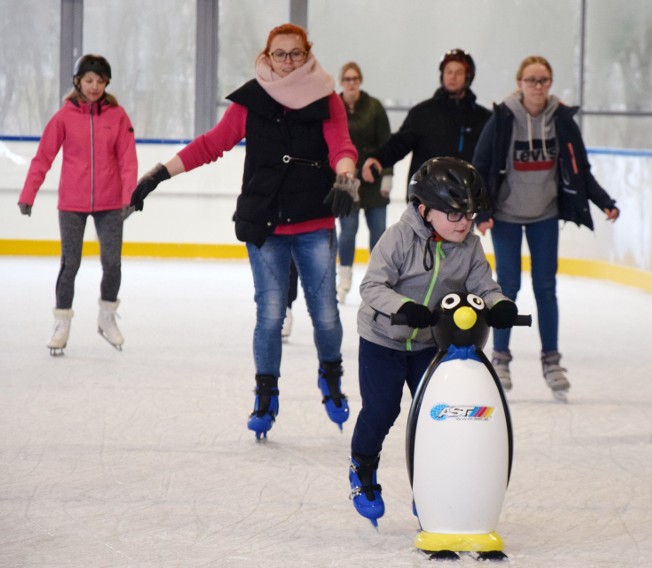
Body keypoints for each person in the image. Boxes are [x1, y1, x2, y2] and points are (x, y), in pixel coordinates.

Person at [129, 23, 359, 437]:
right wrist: (160, 173)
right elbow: (212, 143)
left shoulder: (327, 98)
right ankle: (266, 396)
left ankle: (331, 377)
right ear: (266, 55)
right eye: (279, 53)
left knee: (325, 314)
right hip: (266, 223)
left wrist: (346, 178)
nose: (287, 61)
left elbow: (342, 145)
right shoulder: (252, 100)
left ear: (307, 54)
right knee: (270, 315)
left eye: (294, 53)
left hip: (314, 221)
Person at [348, 157, 517, 525]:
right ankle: (362, 467)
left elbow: (484, 287)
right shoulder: (398, 237)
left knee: (432, 418)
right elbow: (371, 286)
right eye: (454, 214)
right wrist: (404, 307)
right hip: (383, 340)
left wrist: (500, 305)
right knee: (382, 411)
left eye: (469, 215)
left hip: (430, 345)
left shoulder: (470, 247)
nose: (464, 223)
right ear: (424, 210)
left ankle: (431, 487)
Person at [472, 55, 619, 398]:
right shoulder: (503, 118)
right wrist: (481, 213)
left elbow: (580, 169)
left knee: (545, 287)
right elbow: (480, 166)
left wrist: (604, 202)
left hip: (545, 215)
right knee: (506, 286)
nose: (537, 87)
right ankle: (501, 357)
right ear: (519, 82)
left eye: (543, 81)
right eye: (531, 80)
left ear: (550, 84)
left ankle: (551, 361)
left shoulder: (562, 120)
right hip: (506, 215)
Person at [17, 54, 137, 356]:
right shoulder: (63, 117)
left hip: (110, 203)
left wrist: (129, 198)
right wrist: (28, 194)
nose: (94, 86)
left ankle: (107, 316)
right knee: (70, 264)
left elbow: (127, 160)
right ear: (77, 82)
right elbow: (43, 157)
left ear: (106, 83)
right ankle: (61, 322)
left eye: (100, 81)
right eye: (88, 80)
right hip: (72, 202)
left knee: (112, 263)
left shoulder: (118, 116)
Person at [360, 49, 491, 188]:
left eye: (459, 72)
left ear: (468, 77)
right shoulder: (422, 113)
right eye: (449, 71)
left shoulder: (483, 118)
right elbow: (399, 143)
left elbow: (493, 159)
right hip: (425, 199)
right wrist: (377, 158)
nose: (453, 77)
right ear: (442, 75)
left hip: (466, 199)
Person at [336, 62, 394, 304]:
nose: (352, 83)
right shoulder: (334, 107)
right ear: (341, 82)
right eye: (347, 79)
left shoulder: (374, 107)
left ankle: (376, 281)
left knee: (379, 233)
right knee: (348, 232)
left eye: (355, 78)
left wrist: (387, 176)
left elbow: (387, 143)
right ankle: (345, 278)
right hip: (347, 179)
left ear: (360, 80)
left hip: (374, 179)